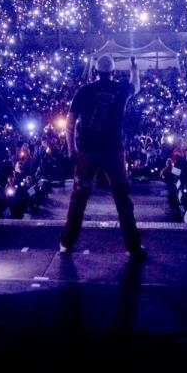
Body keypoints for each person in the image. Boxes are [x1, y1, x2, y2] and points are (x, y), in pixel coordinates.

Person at [60, 54, 145, 260]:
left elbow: (69, 124)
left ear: (96, 72)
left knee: (78, 198)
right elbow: (136, 86)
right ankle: (133, 247)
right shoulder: (121, 89)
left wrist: (71, 150)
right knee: (122, 200)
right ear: (114, 72)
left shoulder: (84, 91)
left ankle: (66, 244)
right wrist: (134, 68)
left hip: (86, 152)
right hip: (113, 151)